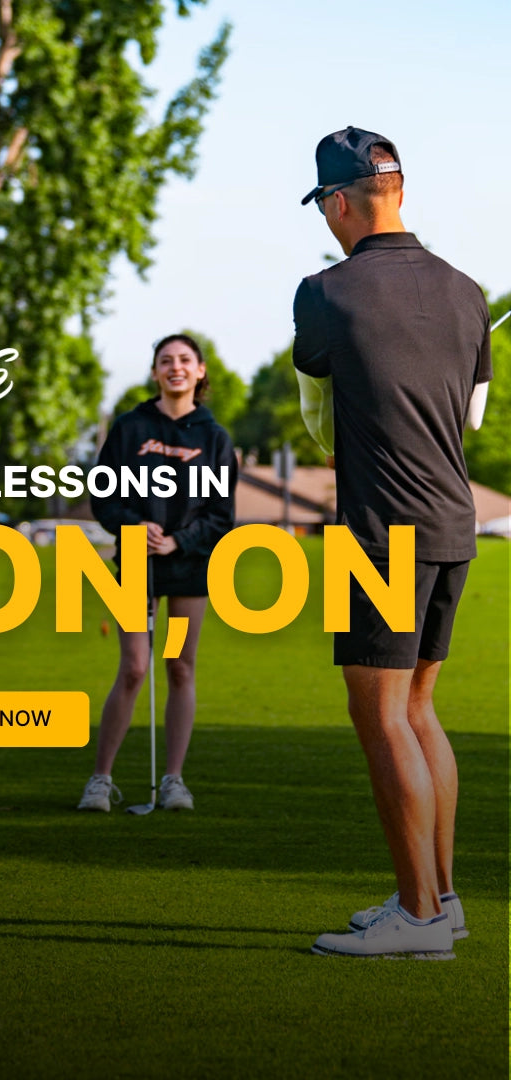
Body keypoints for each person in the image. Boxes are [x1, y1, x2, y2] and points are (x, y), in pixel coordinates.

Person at [293, 128, 491, 958]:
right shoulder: (469, 291)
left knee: (379, 715)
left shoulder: (322, 292)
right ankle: (439, 900)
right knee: (419, 708)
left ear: (339, 202)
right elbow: (473, 419)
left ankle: (416, 922)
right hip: (454, 525)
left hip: (380, 533)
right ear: (398, 189)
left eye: (324, 208)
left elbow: (316, 424)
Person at [79, 334, 236, 813]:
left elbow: (221, 514)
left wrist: (178, 540)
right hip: (136, 566)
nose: (176, 368)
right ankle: (101, 780)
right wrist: (134, 527)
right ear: (154, 373)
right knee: (134, 667)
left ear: (201, 371)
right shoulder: (131, 427)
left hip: (188, 568)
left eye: (185, 360)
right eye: (166, 361)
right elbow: (103, 496)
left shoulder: (214, 437)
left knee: (179, 666)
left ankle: (173, 780)